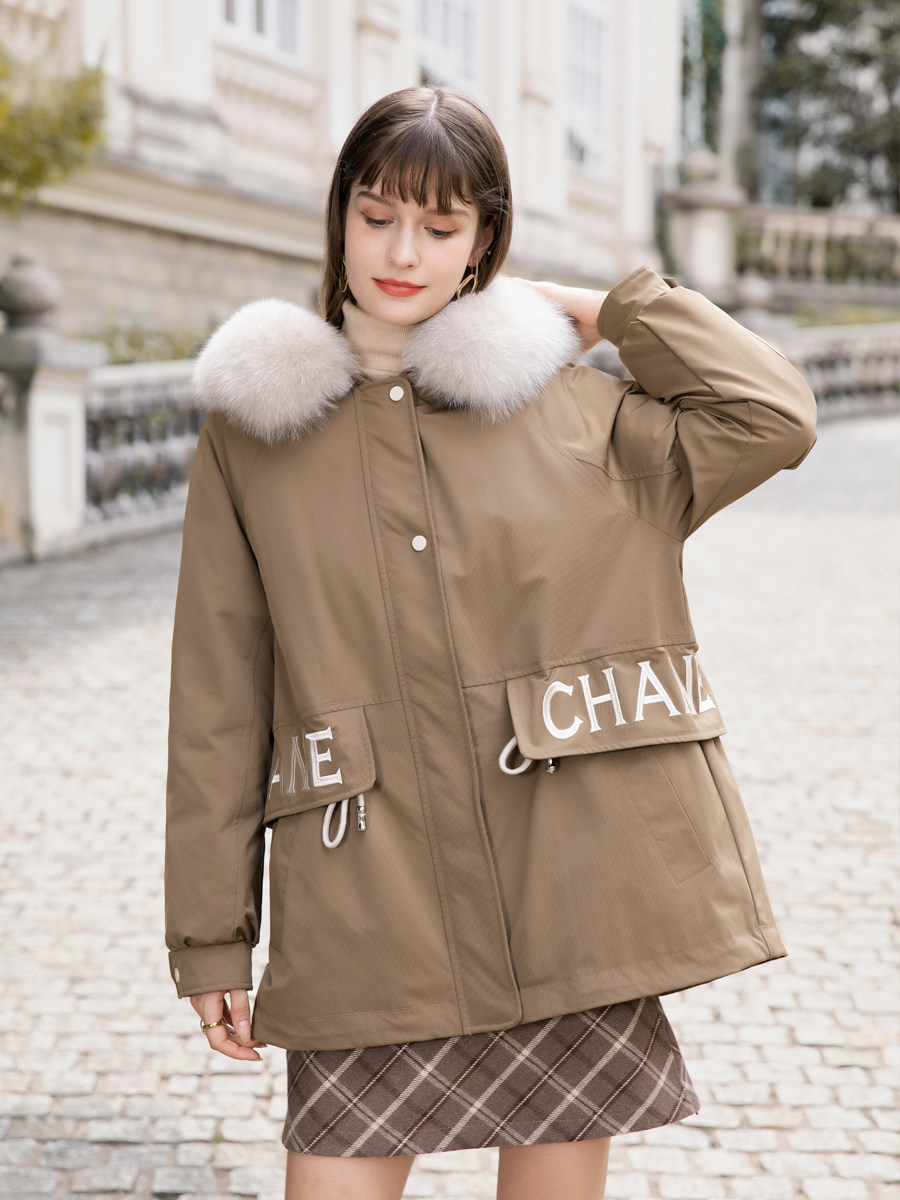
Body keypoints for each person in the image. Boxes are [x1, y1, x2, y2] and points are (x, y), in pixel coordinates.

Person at [164, 86, 817, 1200]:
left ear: (485, 241)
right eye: (377, 216)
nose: (401, 252)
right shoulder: (255, 433)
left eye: (440, 225)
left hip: (566, 909)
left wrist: (612, 309)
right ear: (339, 217)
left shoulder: (575, 416)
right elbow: (218, 695)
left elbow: (772, 415)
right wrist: (211, 937)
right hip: (365, 910)